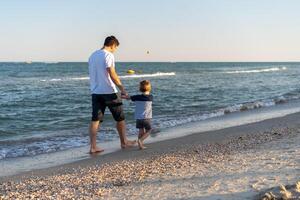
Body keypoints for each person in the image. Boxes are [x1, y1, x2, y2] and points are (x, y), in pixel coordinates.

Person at [88, 36, 136, 154]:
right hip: (110, 92)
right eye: (115, 48)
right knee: (120, 118)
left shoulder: (92, 55)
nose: (115, 50)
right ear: (112, 45)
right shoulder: (108, 55)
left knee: (95, 120)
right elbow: (112, 73)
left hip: (96, 92)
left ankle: (93, 147)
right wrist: (122, 89)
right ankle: (124, 142)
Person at [128, 80, 153, 149]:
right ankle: (140, 140)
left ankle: (140, 145)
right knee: (149, 130)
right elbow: (146, 95)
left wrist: (123, 95)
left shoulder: (136, 97)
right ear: (149, 88)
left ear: (140, 89)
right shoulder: (150, 97)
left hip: (138, 118)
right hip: (147, 118)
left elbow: (128, 97)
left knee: (141, 130)